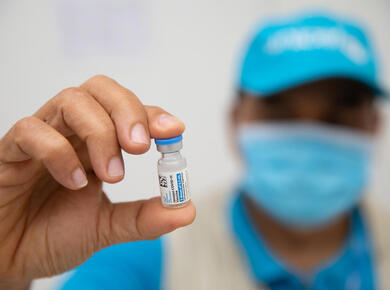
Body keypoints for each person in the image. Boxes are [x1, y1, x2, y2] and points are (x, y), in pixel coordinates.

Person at [0, 11, 388, 290]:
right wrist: (8, 271)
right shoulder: (152, 256)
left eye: (338, 118)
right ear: (235, 122)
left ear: (376, 126)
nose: (307, 138)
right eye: (280, 114)